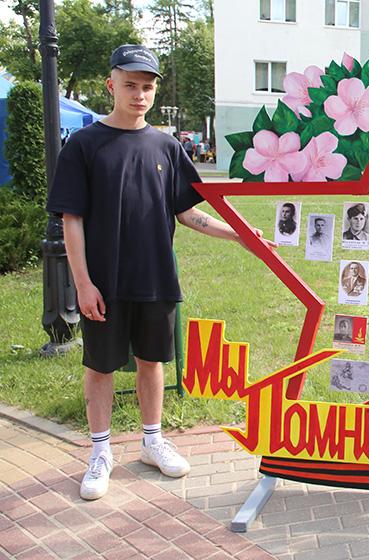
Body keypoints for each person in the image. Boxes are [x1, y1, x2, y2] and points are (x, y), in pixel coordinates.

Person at [46, 44, 276, 501]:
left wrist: (239, 235)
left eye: (147, 87)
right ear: (111, 85)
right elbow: (71, 220)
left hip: (155, 277)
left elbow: (187, 213)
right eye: (130, 85)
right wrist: (83, 284)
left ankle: (152, 441)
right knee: (100, 366)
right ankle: (100, 452)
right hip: (104, 283)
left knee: (152, 361)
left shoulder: (167, 147)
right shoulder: (85, 145)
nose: (139, 94)